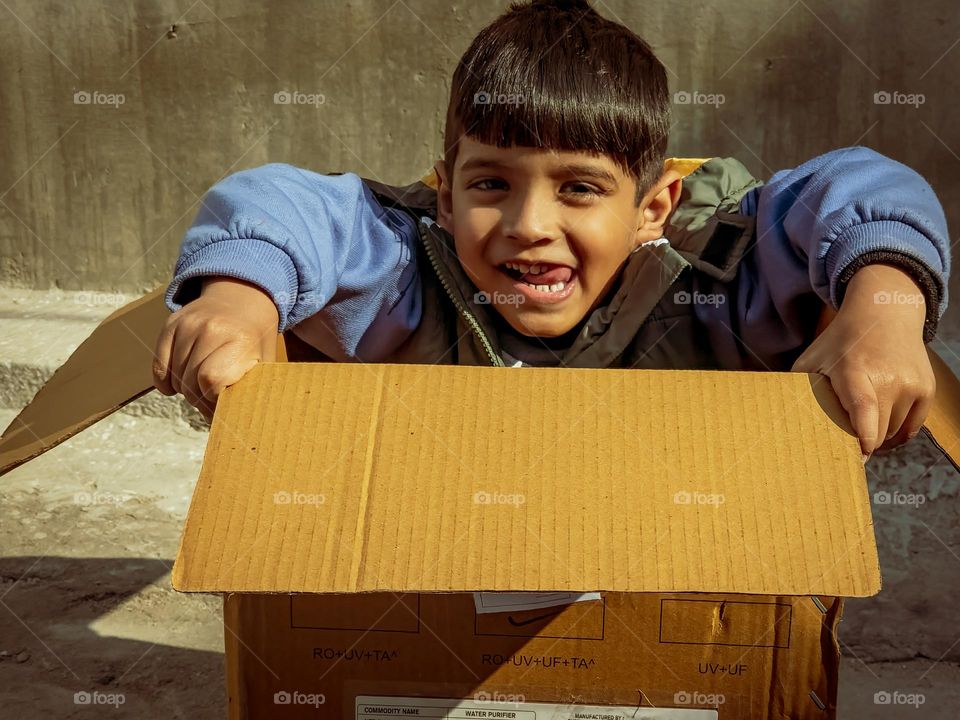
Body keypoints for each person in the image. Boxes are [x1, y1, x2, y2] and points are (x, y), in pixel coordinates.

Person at [153, 0, 950, 458]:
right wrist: (240, 294)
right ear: (445, 192)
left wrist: (883, 308)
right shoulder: (406, 274)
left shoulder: (717, 275)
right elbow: (285, 199)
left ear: (653, 209)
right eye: (491, 183)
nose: (529, 226)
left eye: (578, 189)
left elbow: (859, 181)